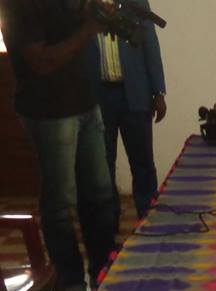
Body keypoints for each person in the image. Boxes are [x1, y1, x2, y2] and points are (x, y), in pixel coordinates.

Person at [0, 0, 117, 291]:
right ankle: (71, 286)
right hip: (49, 112)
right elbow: (42, 61)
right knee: (60, 204)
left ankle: (104, 275)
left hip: (84, 103)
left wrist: (92, 12)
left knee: (102, 196)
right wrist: (91, 29)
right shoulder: (17, 5)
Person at [87, 0, 166, 219]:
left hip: (135, 93)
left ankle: (147, 216)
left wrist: (159, 92)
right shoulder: (83, 6)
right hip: (98, 95)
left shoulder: (135, 3)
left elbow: (150, 44)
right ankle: (108, 220)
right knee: (103, 165)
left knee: (143, 162)